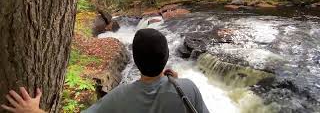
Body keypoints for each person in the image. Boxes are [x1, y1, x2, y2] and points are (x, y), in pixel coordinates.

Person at [2, 28, 209, 113]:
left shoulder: (118, 97)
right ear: (166, 58)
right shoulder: (188, 88)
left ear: (135, 60)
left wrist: (33, 111)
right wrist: (175, 83)